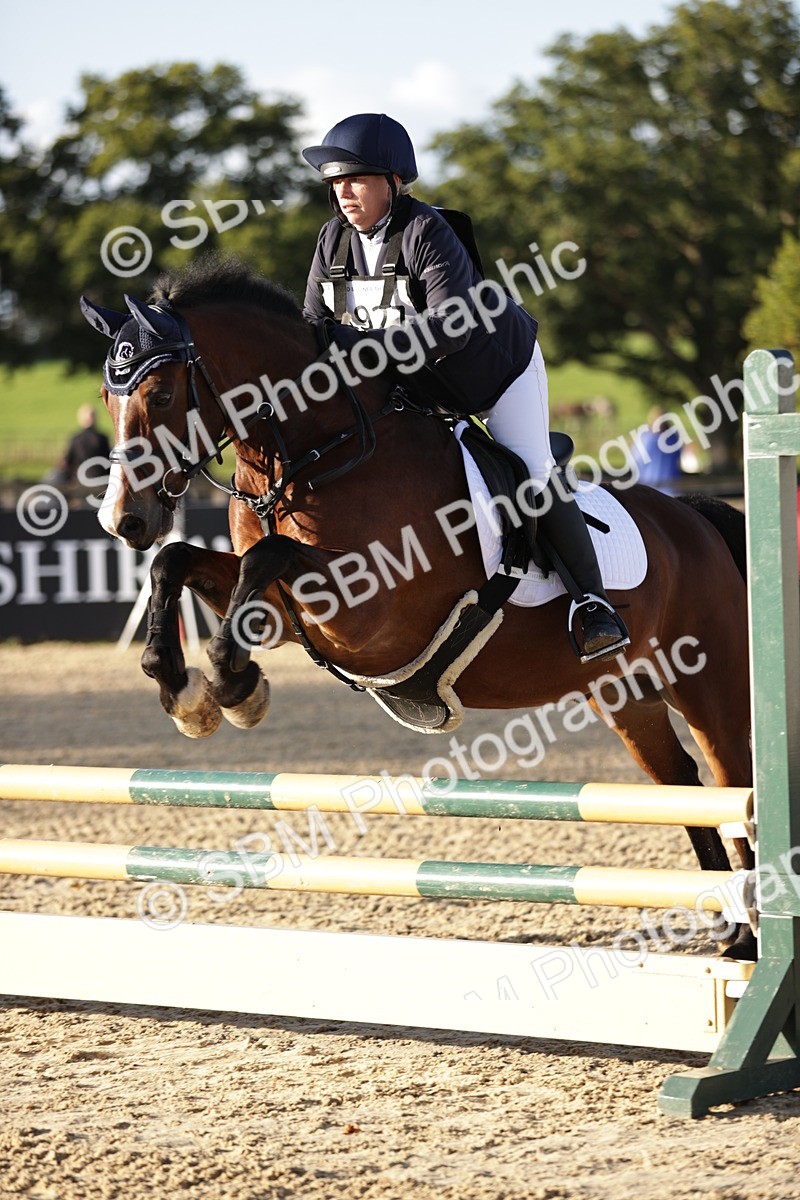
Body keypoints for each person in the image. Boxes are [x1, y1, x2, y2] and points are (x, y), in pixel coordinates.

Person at [301, 113, 628, 661]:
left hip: (494, 375)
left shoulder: (428, 231)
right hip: (415, 386)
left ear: (394, 182)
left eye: (356, 178)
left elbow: (451, 326)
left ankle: (593, 604)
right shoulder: (331, 240)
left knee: (530, 470)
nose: (344, 192)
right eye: (336, 182)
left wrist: (366, 352)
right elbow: (311, 329)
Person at [52, 404, 111, 485]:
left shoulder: (76, 439)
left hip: (80, 483)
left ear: (81, 419)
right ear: (95, 418)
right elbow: (109, 461)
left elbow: (67, 462)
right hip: (102, 482)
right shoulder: (102, 438)